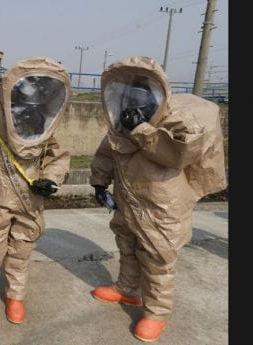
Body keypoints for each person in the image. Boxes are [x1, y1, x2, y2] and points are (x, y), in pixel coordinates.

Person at [89, 56, 227, 342]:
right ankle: (128, 289)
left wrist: (143, 130)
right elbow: (107, 152)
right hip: (128, 201)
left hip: (162, 206)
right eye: (127, 94)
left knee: (157, 258)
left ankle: (156, 313)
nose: (131, 101)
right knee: (126, 244)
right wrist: (100, 183)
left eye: (140, 94)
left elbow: (177, 155)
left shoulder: (176, 125)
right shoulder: (120, 124)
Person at [0, 57, 71, 324]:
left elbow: (58, 156)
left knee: (21, 252)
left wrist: (51, 180)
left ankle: (15, 297)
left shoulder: (47, 124)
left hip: (31, 202)